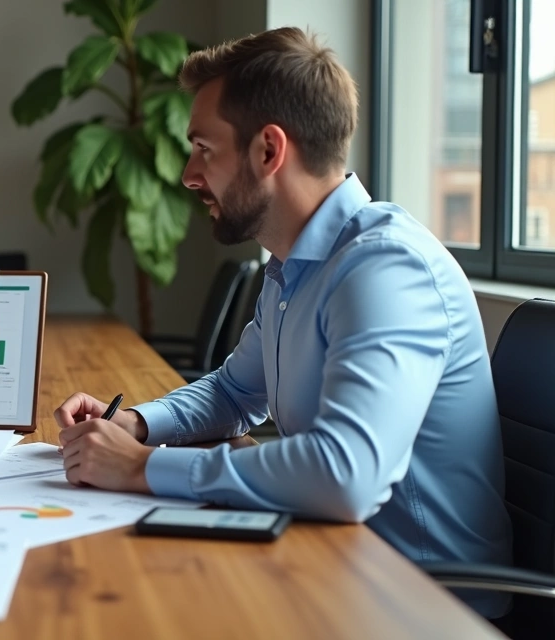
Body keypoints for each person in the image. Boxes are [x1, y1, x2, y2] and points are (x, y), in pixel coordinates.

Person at [54, 28, 511, 619]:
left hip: (419, 601)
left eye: (204, 149)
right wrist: (139, 425)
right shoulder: (294, 264)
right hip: (329, 562)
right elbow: (234, 390)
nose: (190, 175)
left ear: (269, 150)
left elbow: (346, 475)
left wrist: (142, 468)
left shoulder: (386, 269)